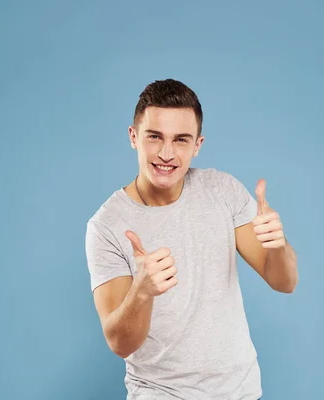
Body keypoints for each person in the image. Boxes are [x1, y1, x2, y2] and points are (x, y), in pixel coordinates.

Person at [85, 78, 298, 399]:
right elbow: (119, 343)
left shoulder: (223, 190)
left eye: (181, 140)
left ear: (197, 145)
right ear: (134, 137)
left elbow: (285, 282)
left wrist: (278, 245)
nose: (166, 153)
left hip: (240, 392)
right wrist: (142, 292)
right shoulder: (106, 226)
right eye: (155, 137)